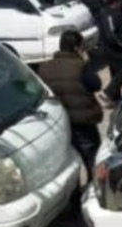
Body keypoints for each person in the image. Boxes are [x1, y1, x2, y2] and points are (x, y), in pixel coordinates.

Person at [36, 30, 103, 172]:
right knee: (93, 158)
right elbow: (96, 85)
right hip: (83, 120)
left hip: (59, 121)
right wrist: (86, 62)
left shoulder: (44, 67)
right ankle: (95, 182)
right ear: (77, 48)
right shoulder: (80, 66)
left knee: (68, 163)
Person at [99, 0, 122, 108]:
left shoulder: (104, 12)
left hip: (108, 48)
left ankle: (115, 99)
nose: (121, 4)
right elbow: (111, 35)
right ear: (115, 2)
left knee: (115, 73)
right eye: (119, 2)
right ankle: (108, 92)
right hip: (115, 50)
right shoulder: (112, 15)